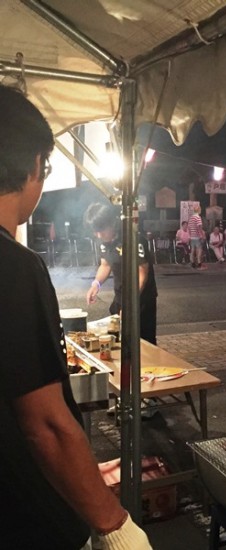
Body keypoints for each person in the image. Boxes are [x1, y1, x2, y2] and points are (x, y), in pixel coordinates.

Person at [0, 86, 152, 549]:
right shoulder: (14, 267)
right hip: (24, 520)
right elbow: (43, 424)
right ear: (33, 168)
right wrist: (115, 526)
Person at [85, 203, 158, 345]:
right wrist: (96, 284)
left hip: (141, 300)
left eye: (101, 230)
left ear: (112, 223)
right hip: (120, 298)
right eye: (95, 231)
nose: (98, 235)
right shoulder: (104, 242)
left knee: (143, 343)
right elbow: (105, 264)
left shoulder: (133, 239)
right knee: (119, 341)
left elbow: (141, 273)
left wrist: (130, 304)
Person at [188, 205, 206, 269]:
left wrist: (189, 236)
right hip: (197, 237)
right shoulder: (198, 217)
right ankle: (199, 264)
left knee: (192, 250)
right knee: (199, 250)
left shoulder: (191, 218)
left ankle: (192, 263)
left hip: (192, 237)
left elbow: (189, 228)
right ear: (198, 210)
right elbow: (199, 227)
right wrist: (202, 235)